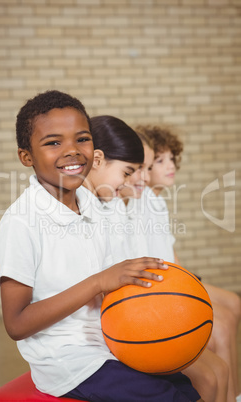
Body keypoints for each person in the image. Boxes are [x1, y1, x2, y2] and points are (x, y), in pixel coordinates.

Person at [0, 91, 202, 402]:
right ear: (26, 157)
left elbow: (113, 282)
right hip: (70, 360)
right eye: (53, 142)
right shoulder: (21, 222)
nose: (73, 152)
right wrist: (99, 282)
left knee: (188, 387)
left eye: (82, 139)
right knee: (166, 397)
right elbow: (16, 323)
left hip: (112, 341)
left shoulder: (93, 206)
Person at [87, 115, 229, 401]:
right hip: (124, 318)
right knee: (207, 373)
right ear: (99, 161)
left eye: (145, 168)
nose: (144, 177)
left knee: (218, 369)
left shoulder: (121, 203)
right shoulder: (104, 207)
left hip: (143, 302)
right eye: (135, 169)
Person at [133, 123, 241, 402]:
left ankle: (234, 392)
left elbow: (171, 255)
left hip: (174, 276)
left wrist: (192, 283)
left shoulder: (156, 201)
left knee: (233, 302)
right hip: (162, 285)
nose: (170, 166)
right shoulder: (139, 200)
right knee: (224, 321)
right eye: (159, 161)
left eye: (171, 159)